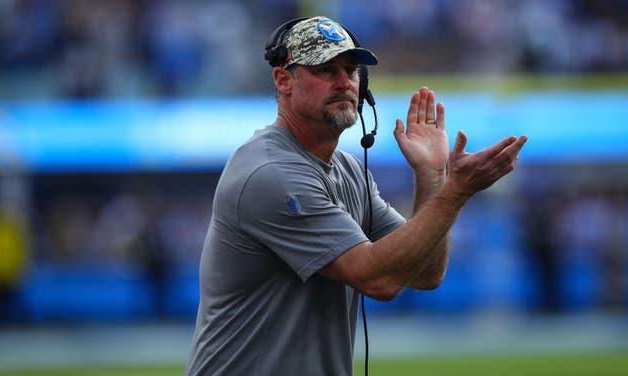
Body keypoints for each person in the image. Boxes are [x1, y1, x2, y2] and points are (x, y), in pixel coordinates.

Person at [185, 16, 527, 376]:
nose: (345, 82)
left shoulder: (348, 170)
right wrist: (455, 192)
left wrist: (430, 177)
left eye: (352, 70)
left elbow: (425, 272)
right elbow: (378, 279)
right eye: (326, 69)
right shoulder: (270, 172)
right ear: (283, 80)